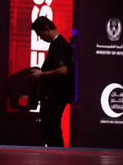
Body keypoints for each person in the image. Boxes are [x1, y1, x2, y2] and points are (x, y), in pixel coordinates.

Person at [30, 16, 74, 147]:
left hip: (55, 96)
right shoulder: (57, 45)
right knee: (50, 128)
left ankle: (57, 156)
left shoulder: (59, 46)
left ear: (46, 29)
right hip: (54, 96)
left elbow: (63, 70)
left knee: (52, 128)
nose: (41, 38)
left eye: (40, 35)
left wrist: (41, 74)